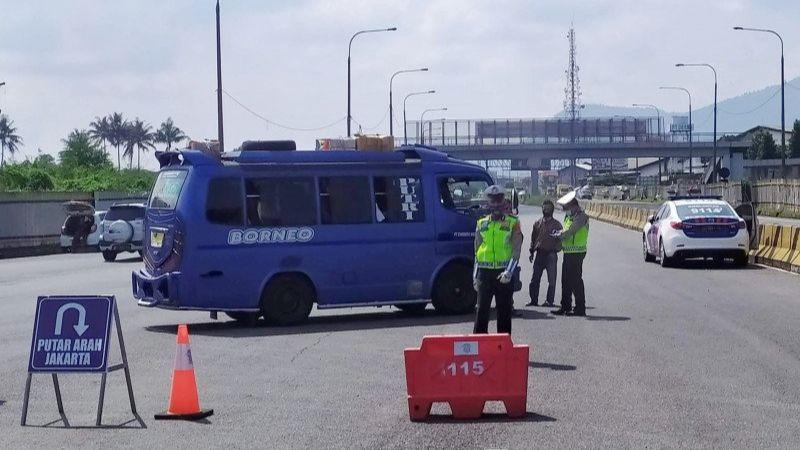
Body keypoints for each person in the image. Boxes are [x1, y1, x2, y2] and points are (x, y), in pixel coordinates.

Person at [473, 185, 524, 334]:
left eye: (498, 201)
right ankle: (480, 347)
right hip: (484, 273)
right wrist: (474, 275)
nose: (495, 205)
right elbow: (477, 250)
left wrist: (509, 272)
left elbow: (516, 250)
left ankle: (504, 349)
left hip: (503, 274)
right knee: (481, 312)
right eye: (492, 201)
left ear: (503, 203)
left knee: (504, 312)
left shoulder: (513, 222)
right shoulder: (481, 223)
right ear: (488, 203)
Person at [552, 191, 589, 317]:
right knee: (565, 281)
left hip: (577, 253)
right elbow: (566, 229)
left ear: (573, 206)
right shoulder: (569, 217)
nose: (565, 211)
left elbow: (571, 230)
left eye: (566, 208)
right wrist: (559, 233)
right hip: (568, 252)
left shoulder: (581, 217)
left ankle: (580, 308)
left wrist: (559, 235)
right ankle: (565, 306)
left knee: (576, 281)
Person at [526, 199, 562, 307]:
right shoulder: (537, 223)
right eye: (544, 207)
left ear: (552, 210)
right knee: (535, 279)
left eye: (548, 208)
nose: (546, 210)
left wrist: (556, 249)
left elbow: (561, 240)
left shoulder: (557, 225)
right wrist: (531, 251)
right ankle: (533, 300)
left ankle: (549, 301)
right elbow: (533, 239)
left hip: (551, 255)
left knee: (552, 280)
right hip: (539, 254)